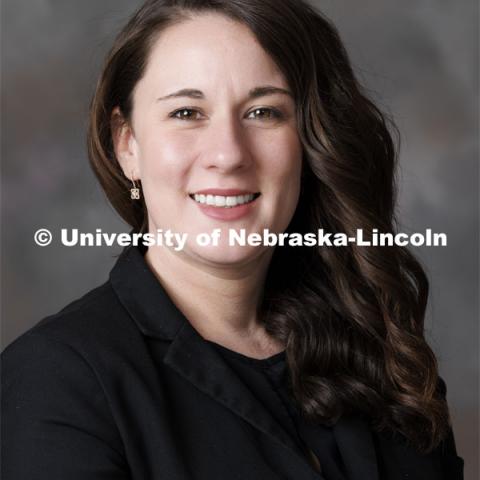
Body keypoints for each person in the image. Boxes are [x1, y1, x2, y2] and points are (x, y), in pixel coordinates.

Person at [1, 0, 465, 479]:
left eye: (264, 112)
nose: (227, 154)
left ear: (310, 141)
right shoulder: (58, 379)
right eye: (186, 112)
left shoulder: (384, 357)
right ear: (127, 145)